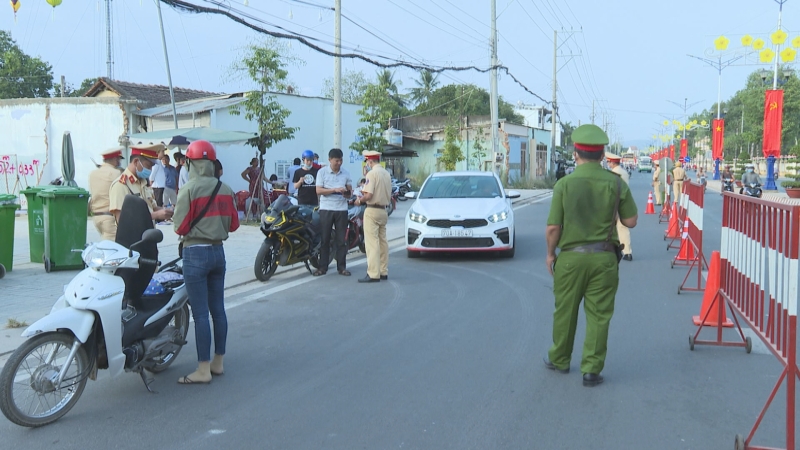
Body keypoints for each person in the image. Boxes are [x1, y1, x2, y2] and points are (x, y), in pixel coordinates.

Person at [544, 124, 638, 387]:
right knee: (599, 314)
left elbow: (553, 228)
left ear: (576, 154)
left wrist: (551, 255)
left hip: (571, 259)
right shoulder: (616, 183)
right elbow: (631, 221)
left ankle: (560, 359)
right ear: (602, 155)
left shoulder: (564, 185)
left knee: (565, 310)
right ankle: (591, 370)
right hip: (604, 258)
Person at [173, 140, 240, 385]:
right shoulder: (225, 189)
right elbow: (234, 224)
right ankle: (218, 363)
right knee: (218, 310)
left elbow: (179, 227)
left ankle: (202, 370)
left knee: (200, 314)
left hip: (195, 253)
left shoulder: (188, 189)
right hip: (218, 253)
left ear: (190, 163)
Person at [109, 147, 173, 226]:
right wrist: (155, 215)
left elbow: (152, 207)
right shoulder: (121, 185)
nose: (150, 170)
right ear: (136, 162)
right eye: (148, 166)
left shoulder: (143, 183)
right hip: (132, 236)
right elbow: (122, 220)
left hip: (147, 234)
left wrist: (167, 211)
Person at [314, 148, 353, 276]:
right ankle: (322, 267)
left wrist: (346, 192)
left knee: (341, 240)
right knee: (325, 239)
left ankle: (341, 267)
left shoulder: (345, 173)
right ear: (330, 160)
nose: (339, 163)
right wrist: (334, 190)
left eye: (341, 160)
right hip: (326, 209)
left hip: (341, 209)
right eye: (336, 161)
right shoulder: (322, 172)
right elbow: (319, 191)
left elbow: (349, 193)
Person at [355, 150, 392, 283]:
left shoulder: (372, 174)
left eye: (367, 162)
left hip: (372, 210)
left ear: (370, 161)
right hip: (384, 210)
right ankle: (383, 271)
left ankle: (373, 273)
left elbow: (368, 195)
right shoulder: (386, 173)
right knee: (383, 242)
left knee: (372, 243)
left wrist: (359, 200)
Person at [88, 147, 123, 241]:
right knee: (113, 249)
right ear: (115, 159)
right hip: (109, 217)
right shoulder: (116, 173)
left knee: (106, 244)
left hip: (96, 217)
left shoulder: (93, 174)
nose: (119, 162)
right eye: (119, 159)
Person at [605, 152, 633, 261]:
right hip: (624, 202)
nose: (608, 164)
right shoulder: (624, 172)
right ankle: (627, 252)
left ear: (612, 163)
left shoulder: (613, 174)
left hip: (614, 204)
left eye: (608, 162)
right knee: (623, 228)